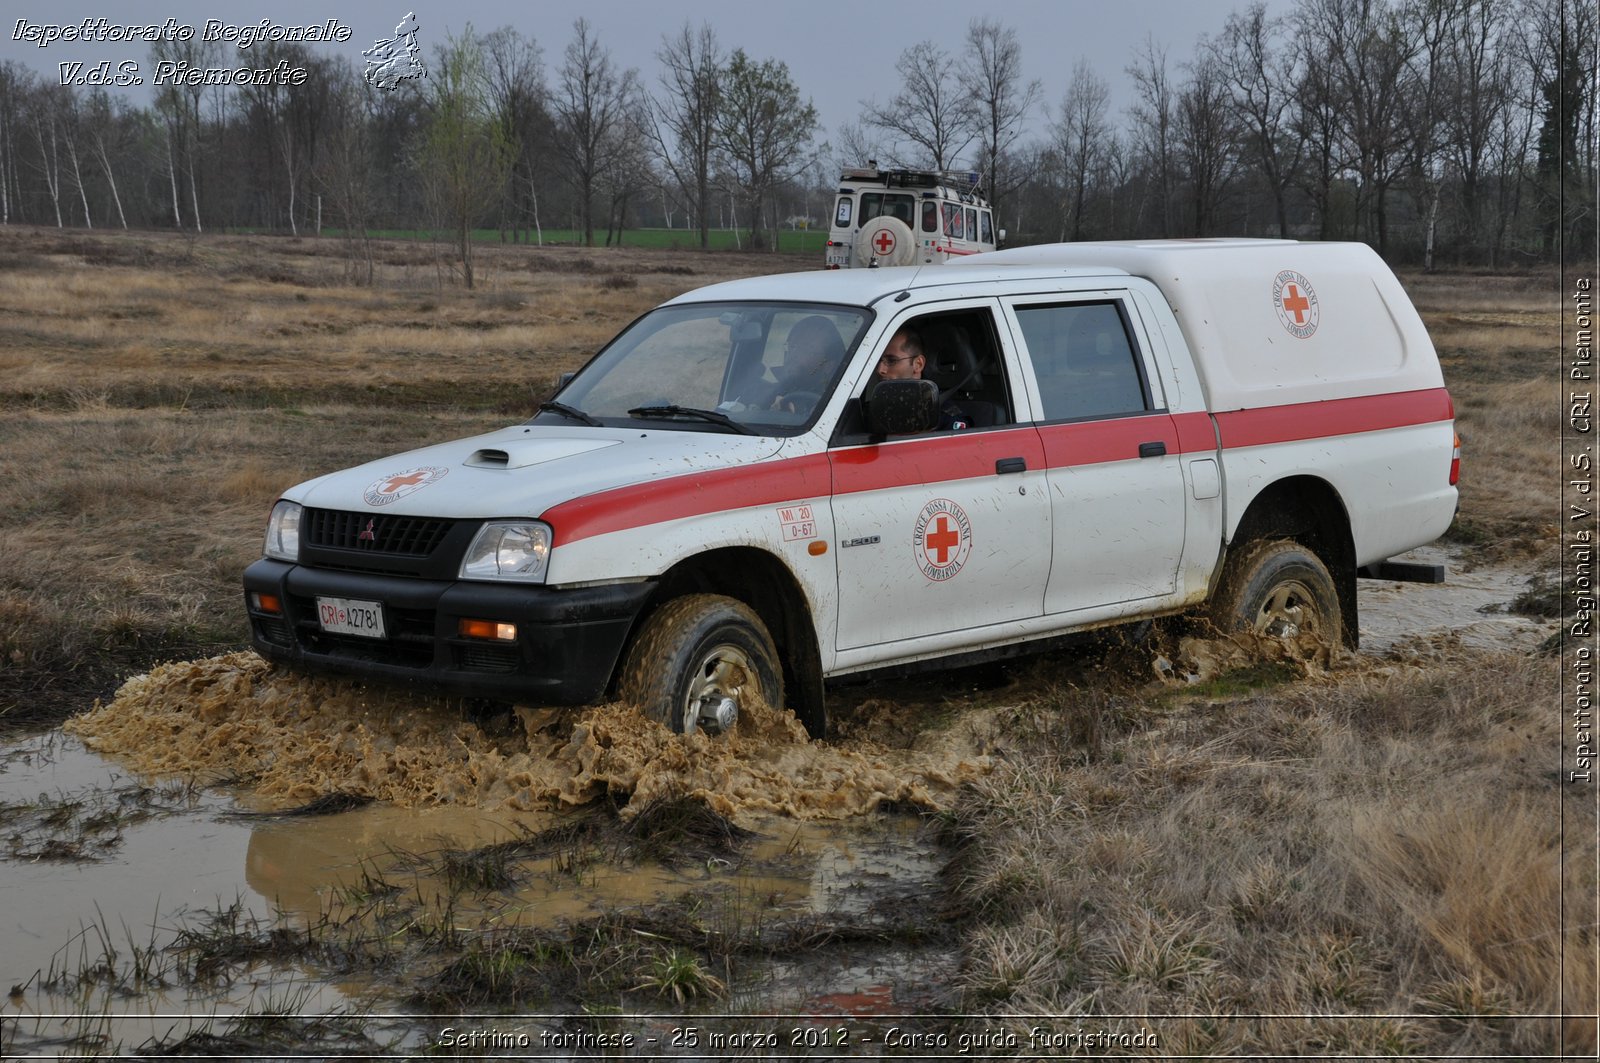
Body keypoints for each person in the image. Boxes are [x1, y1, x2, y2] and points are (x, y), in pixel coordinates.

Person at [875, 325, 969, 430]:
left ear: (918, 364)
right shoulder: (873, 410)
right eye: (877, 361)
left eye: (892, 360)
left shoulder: (944, 416)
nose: (880, 370)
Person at [760, 315, 845, 413]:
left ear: (828, 365)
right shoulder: (769, 392)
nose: (794, 354)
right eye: (793, 346)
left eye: (807, 349)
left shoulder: (837, 404)